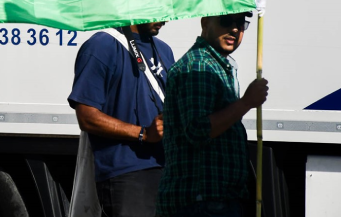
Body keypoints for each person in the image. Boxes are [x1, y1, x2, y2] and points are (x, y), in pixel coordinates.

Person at [155, 12, 269, 217]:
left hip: (210, 201)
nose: (235, 29)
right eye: (226, 21)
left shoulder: (214, 65)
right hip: (201, 203)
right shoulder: (199, 65)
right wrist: (246, 102)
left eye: (241, 23)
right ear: (205, 23)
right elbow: (198, 130)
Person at [68, 21, 175, 217]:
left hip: (167, 170)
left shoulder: (164, 50)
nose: (165, 18)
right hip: (127, 174)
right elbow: (86, 117)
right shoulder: (101, 45)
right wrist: (143, 133)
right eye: (158, 8)